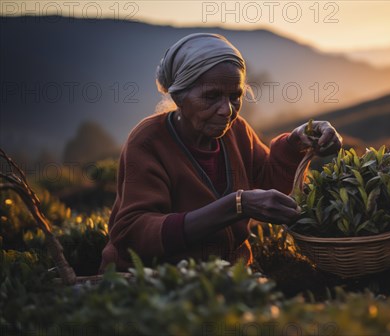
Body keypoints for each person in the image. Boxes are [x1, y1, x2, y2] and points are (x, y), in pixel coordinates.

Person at [99, 33, 342, 272]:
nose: (226, 110)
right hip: (155, 282)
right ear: (179, 96)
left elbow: (271, 186)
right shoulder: (148, 142)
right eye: (211, 96)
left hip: (228, 277)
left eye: (235, 96)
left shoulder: (235, 132)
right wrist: (237, 205)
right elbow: (132, 232)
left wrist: (296, 142)